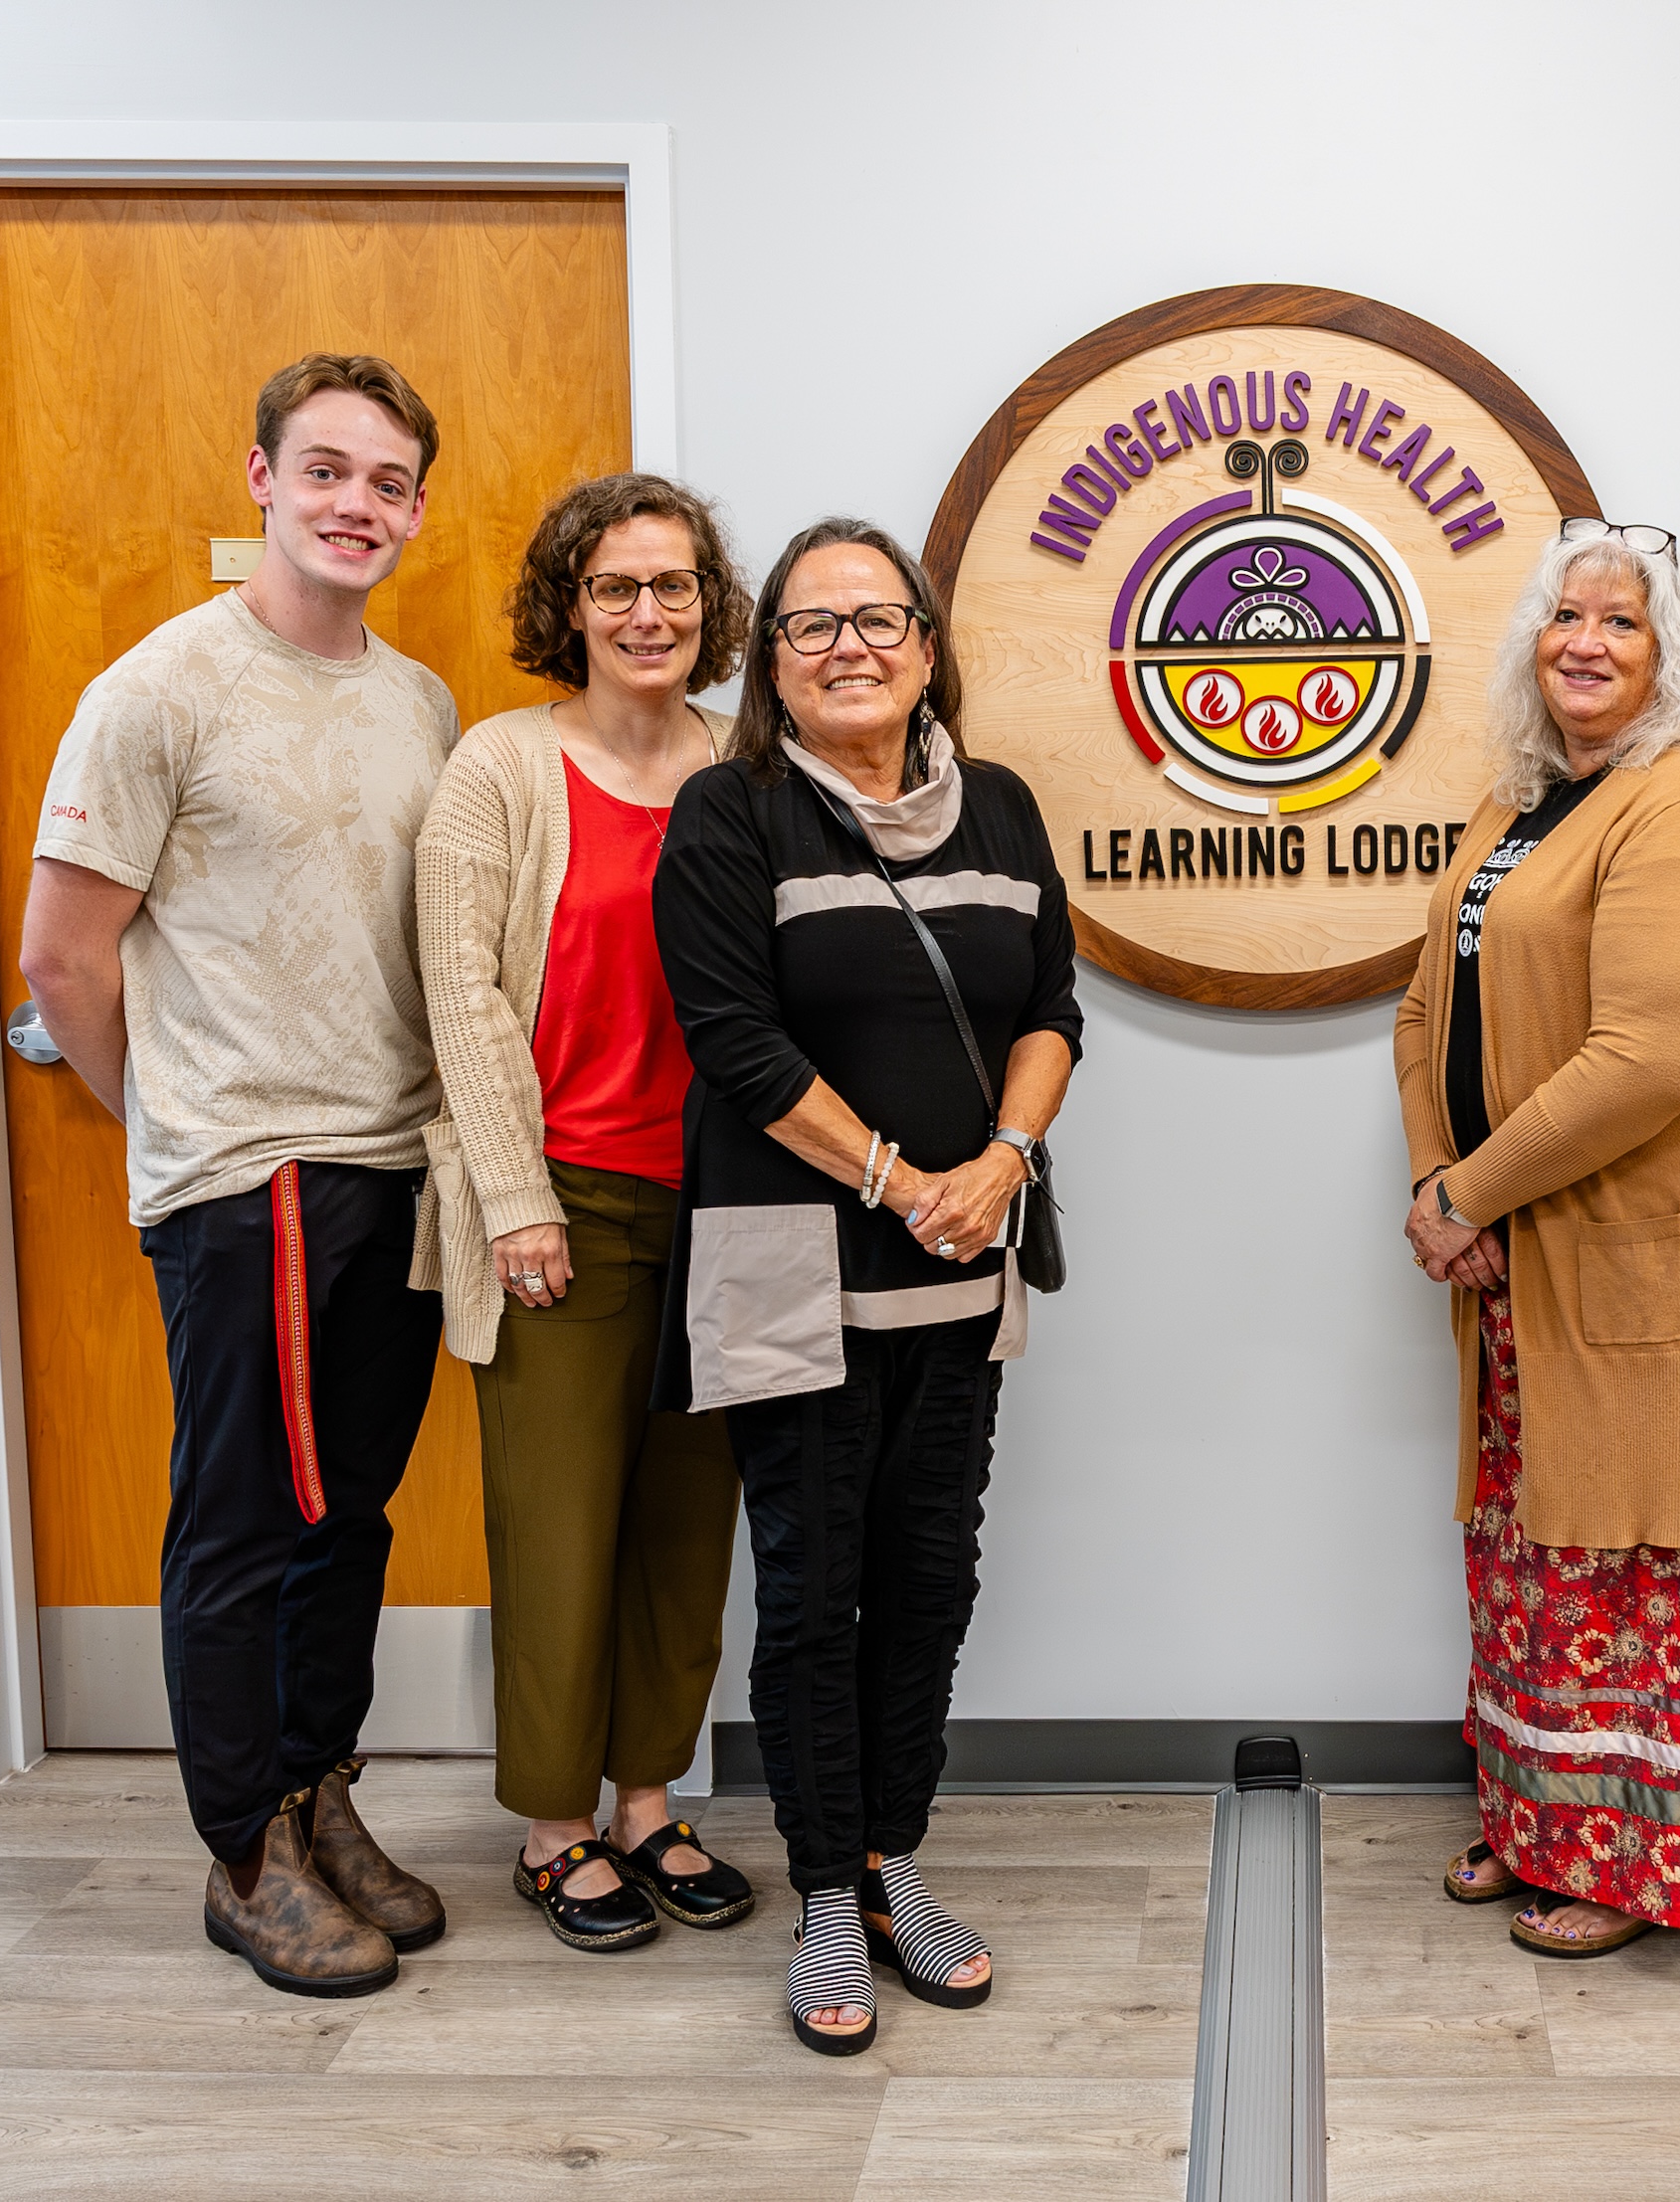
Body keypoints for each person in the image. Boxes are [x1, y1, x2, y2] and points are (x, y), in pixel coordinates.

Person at [16, 353, 458, 1998]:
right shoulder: (160, 691)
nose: (358, 503)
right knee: (243, 1522)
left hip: (395, 1161)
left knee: (350, 1515)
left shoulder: (417, 700)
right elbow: (62, 961)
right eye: (328, 469)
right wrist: (179, 1138)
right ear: (260, 476)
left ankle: (317, 1788)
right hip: (250, 1174)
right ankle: (241, 1851)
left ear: (416, 509)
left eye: (390, 481)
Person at [651, 517, 1081, 2053]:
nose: (847, 644)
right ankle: (824, 1887)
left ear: (923, 642)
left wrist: (1006, 1159)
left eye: (875, 618)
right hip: (791, 1272)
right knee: (813, 1591)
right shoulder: (730, 813)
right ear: (769, 661)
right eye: (809, 624)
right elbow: (737, 1046)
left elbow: (1049, 1007)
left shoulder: (1007, 808)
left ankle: (892, 1856)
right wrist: (904, 1181)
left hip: (963, 1272)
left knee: (931, 1581)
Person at [1399, 517, 1680, 1960]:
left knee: (1648, 1567)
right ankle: (1541, 1822)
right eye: (1566, 617)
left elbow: (1657, 1051)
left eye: (1621, 624)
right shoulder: (1519, 805)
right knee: (1542, 1558)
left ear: (1666, 654)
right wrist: (1443, 1182)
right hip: (1521, 1255)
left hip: (1655, 1256)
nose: (1586, 641)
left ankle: (1643, 1864)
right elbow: (1419, 1013)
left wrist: (1467, 1195)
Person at [414, 473, 756, 1951]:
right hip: (569, 1200)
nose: (646, 612)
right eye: (614, 587)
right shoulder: (499, 768)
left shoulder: (752, 765)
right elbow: (464, 996)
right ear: (569, 606)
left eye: (672, 585)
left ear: (710, 605)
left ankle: (646, 1799)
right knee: (558, 1527)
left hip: (739, 1204)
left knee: (691, 1530)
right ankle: (555, 1829)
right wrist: (513, 1197)